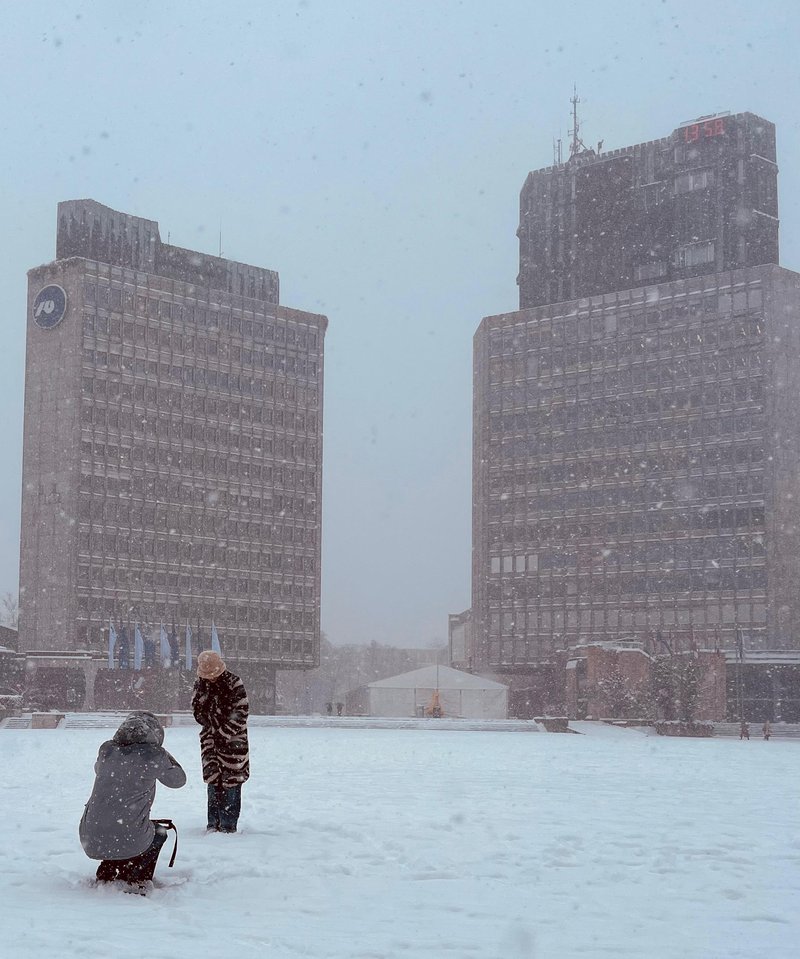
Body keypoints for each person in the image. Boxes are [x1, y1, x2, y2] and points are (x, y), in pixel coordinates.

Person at [79, 711, 186, 890]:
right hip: (126, 832)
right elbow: (178, 780)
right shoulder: (153, 755)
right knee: (157, 833)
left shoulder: (107, 749)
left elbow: (99, 768)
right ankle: (137, 876)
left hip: (91, 833)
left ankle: (109, 870)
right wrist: (162, 753)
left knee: (120, 824)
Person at [191, 650, 250, 833]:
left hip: (234, 743)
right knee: (213, 782)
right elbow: (196, 711)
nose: (211, 679)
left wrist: (223, 732)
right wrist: (212, 728)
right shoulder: (200, 684)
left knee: (231, 782)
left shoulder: (234, 682)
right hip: (210, 743)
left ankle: (228, 825)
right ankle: (213, 823)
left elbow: (241, 713)